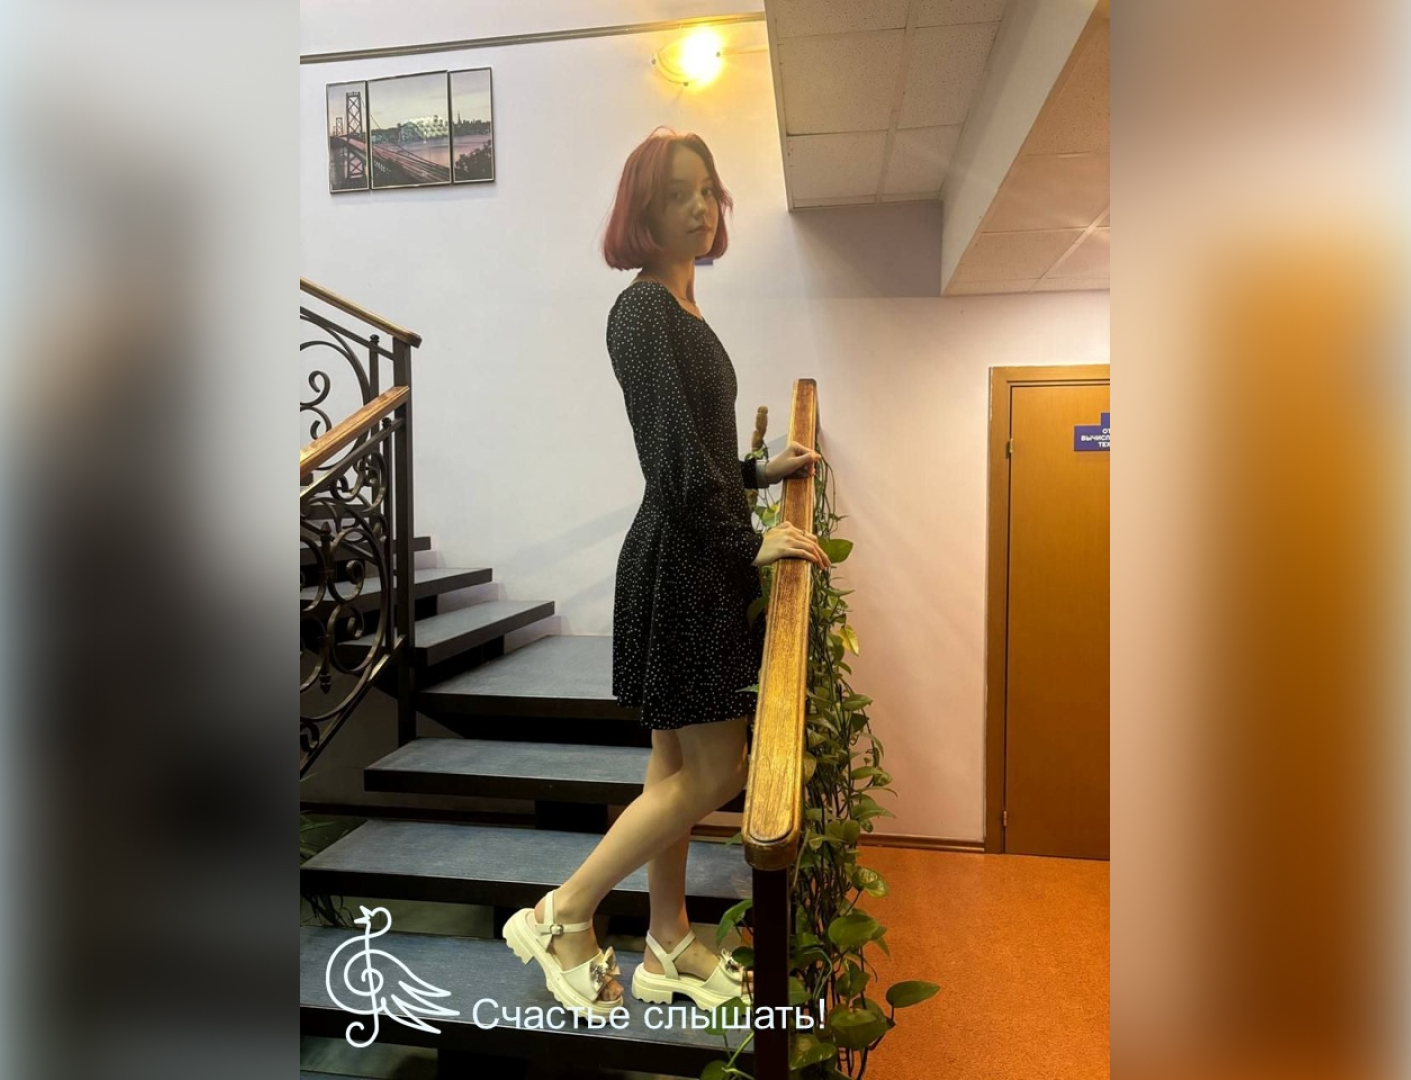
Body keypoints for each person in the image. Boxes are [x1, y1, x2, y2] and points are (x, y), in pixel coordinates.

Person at [502, 128, 830, 1017]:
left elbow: (702, 452)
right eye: (675, 194)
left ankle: (667, 940)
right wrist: (745, 539)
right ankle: (562, 912)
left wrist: (759, 471)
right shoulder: (641, 311)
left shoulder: (682, 309)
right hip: (685, 562)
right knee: (718, 770)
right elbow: (671, 460)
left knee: (673, 768)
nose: (698, 207)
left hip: (692, 549)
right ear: (641, 213)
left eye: (706, 191)